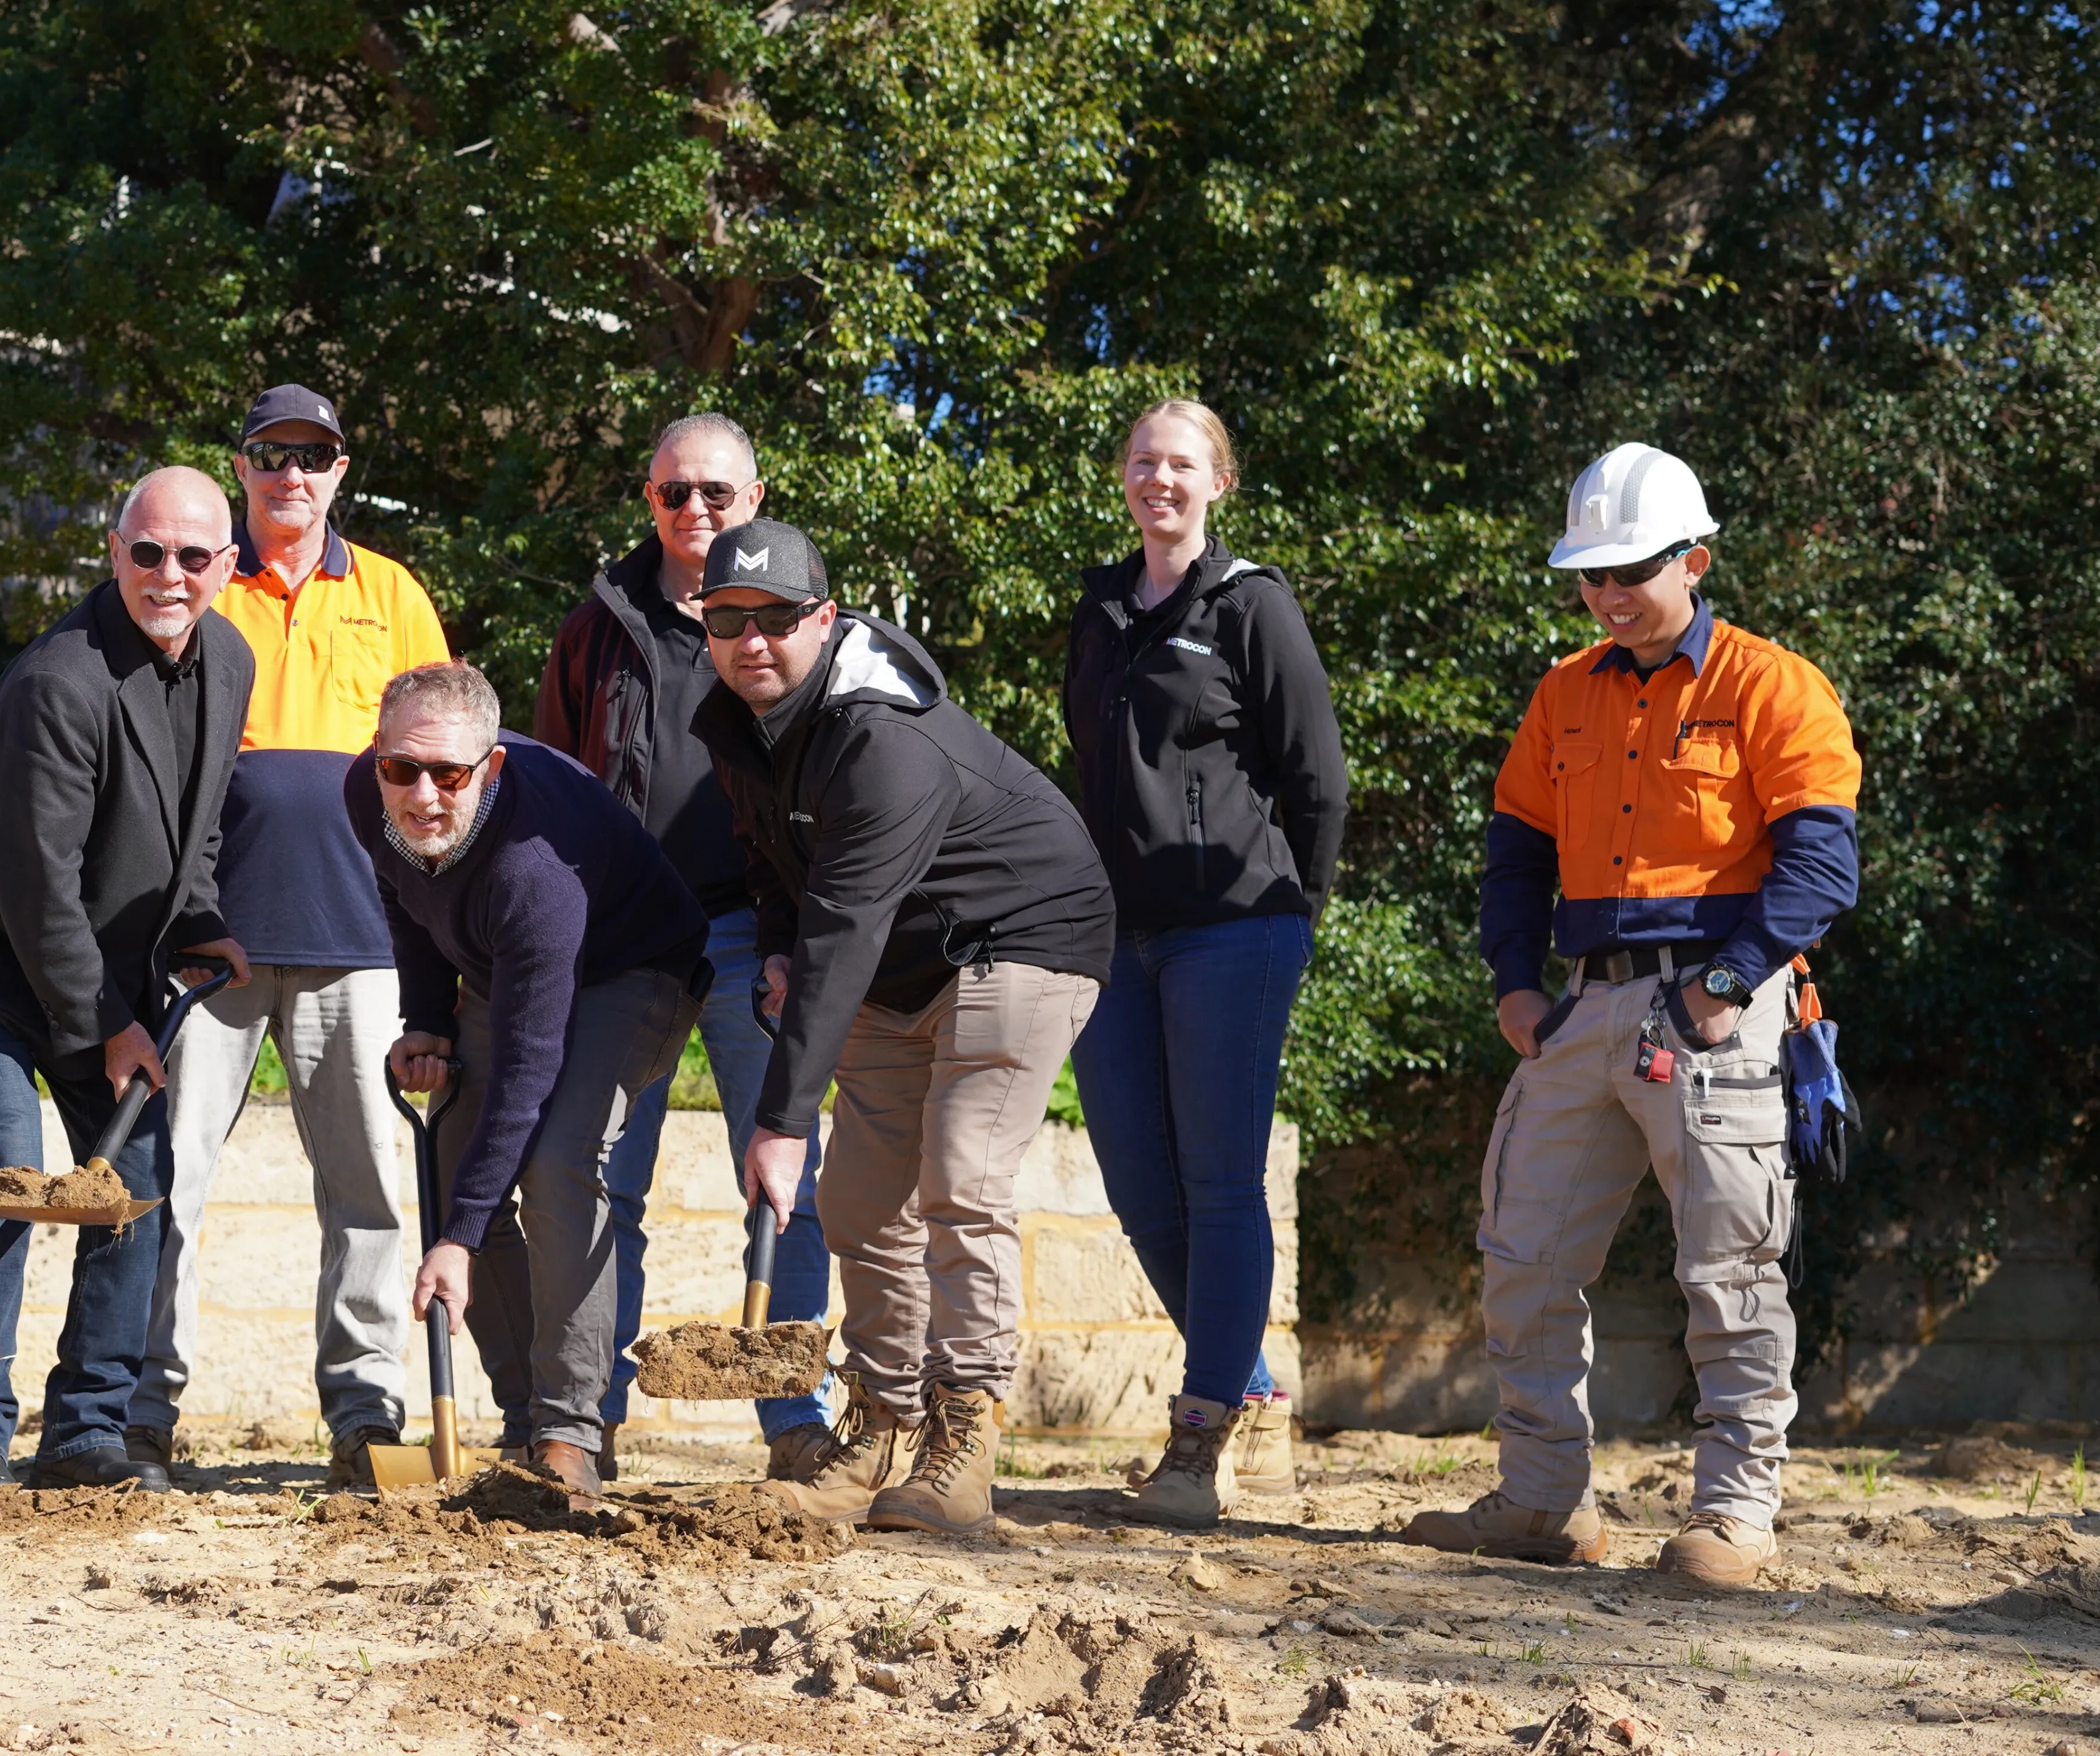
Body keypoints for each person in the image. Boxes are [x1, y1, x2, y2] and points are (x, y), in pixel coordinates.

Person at [1405, 444, 1859, 1587]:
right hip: (1586, 1002)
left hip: (1719, 1006)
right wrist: (1517, 984)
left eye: (1632, 570)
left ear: (1693, 560)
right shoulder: (1564, 690)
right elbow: (1514, 852)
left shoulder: (1772, 685)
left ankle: (1736, 1518)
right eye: (1590, 574)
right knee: (1523, 1255)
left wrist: (1722, 986)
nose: (1609, 594)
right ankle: (1544, 1501)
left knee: (1731, 1268)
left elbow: (1820, 868)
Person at [693, 520, 1116, 1533]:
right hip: (897, 957)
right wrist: (778, 939)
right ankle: (880, 1423)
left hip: (1025, 931)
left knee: (960, 1177)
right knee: (859, 1203)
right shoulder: (733, 721)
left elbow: (846, 925)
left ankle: (961, 1437)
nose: (753, 640)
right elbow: (774, 861)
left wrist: (782, 1119)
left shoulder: (882, 737)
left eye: (778, 619)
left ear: (824, 619)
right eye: (726, 619)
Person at [0, 469, 255, 1501]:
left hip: (96, 967)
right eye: (148, 553)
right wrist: (106, 1024)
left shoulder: (227, 658)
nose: (170, 575)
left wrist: (198, 921)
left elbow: (199, 825)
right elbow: (36, 881)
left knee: (132, 1184)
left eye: (195, 557)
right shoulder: (59, 683)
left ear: (228, 568)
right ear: (113, 553)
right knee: (7, 1174)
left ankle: (88, 1428)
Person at [136, 385, 448, 1488]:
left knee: (365, 1187)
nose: (293, 476)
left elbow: (439, 760)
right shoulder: (196, 580)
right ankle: (140, 1405)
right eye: (273, 455)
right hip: (209, 934)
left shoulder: (393, 594)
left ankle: (366, 1414)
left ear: (341, 472)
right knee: (167, 1179)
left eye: (314, 457)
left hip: (364, 936)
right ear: (243, 467)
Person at [535, 414, 838, 1482]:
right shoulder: (600, 626)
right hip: (628, 938)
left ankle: (797, 1417)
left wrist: (801, 936)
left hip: (763, 935)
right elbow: (550, 788)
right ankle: (582, 1419)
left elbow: (838, 790)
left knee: (786, 1177)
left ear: (755, 497)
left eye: (717, 492)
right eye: (675, 494)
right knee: (600, 1173)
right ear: (647, 500)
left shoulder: (795, 619)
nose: (696, 511)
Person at [1060, 401, 1347, 1524]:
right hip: (1115, 940)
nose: (1159, 479)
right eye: (1142, 460)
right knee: (1139, 1184)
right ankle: (1251, 1382)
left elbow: (1315, 778)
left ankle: (1198, 1441)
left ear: (1218, 481)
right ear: (1123, 477)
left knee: (1221, 1179)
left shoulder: (1251, 605)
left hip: (1237, 927)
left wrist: (1293, 914)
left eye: (1181, 463)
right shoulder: (1098, 608)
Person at [354, 663, 708, 1506]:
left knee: (555, 1162)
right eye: (403, 769)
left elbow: (527, 1072)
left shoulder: (533, 868)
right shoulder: (371, 798)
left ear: (493, 768)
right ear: (378, 758)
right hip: (502, 970)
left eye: (450, 775)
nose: (423, 796)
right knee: (454, 1156)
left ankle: (568, 1435)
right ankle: (520, 1420)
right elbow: (406, 897)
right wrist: (428, 1020)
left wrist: (458, 1240)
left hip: (635, 967)